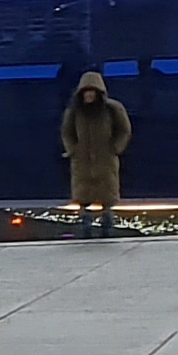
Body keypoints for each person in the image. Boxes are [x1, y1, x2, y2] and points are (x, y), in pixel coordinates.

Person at [63, 69, 131, 234]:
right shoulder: (74, 111)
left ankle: (107, 220)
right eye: (86, 92)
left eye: (92, 92)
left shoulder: (112, 109)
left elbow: (124, 130)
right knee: (83, 190)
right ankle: (85, 220)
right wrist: (73, 150)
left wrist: (116, 148)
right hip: (82, 159)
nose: (89, 95)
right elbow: (67, 132)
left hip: (105, 158)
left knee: (107, 190)